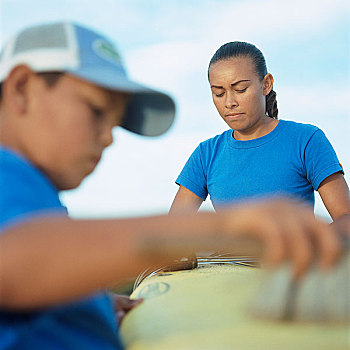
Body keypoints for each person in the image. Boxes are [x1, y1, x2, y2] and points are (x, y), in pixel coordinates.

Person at [0, 23, 345, 350]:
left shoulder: (39, 195)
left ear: (266, 83)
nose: (109, 137)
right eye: (95, 111)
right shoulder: (7, 173)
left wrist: (91, 301)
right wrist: (223, 226)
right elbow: (10, 259)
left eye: (115, 121)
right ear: (20, 89)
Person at [170, 41, 350, 229]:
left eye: (240, 89)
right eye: (219, 93)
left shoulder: (306, 140)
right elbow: (172, 229)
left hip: (294, 257)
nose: (229, 102)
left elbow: (345, 218)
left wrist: (315, 244)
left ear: (266, 84)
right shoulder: (206, 154)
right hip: (228, 258)